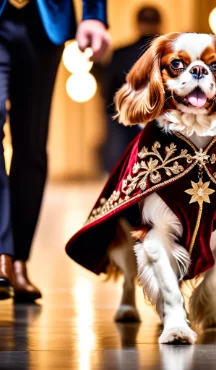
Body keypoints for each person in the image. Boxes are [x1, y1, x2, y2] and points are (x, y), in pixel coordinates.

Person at [0, 0, 110, 301]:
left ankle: (19, 258)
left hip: (44, 20)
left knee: (32, 145)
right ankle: (2, 255)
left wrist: (93, 15)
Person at [102, 6, 162, 173]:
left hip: (128, 120)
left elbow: (109, 93)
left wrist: (111, 116)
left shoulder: (121, 54)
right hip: (161, 121)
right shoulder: (174, 53)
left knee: (128, 167)